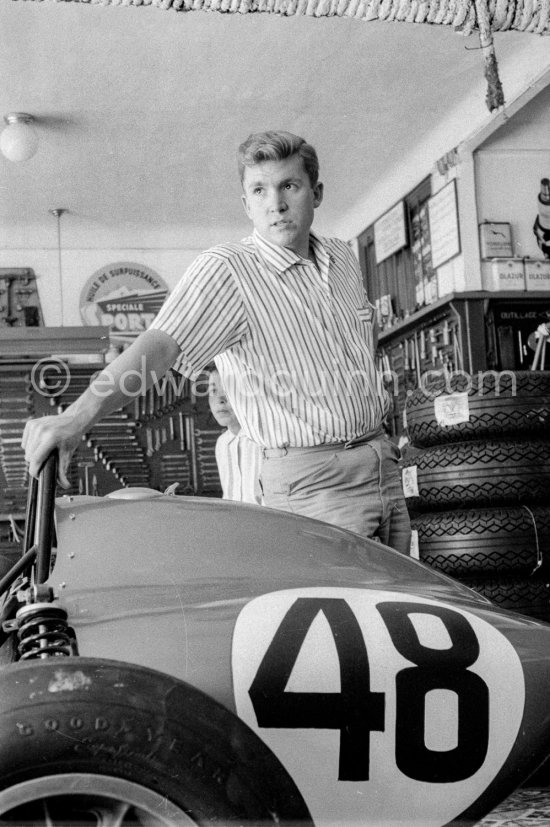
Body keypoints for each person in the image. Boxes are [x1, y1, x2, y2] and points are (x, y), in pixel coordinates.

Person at [22, 130, 411, 553]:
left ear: (315, 193)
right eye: (259, 190)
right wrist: (77, 418)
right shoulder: (228, 270)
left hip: (382, 462)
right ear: (246, 204)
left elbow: (361, 347)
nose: (275, 204)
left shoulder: (343, 258)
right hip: (314, 485)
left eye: (289, 186)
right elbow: (159, 346)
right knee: (339, 613)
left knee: (403, 605)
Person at [207, 366, 262, 505]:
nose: (220, 399)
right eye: (213, 390)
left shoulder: (264, 441)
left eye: (227, 389)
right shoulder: (222, 443)